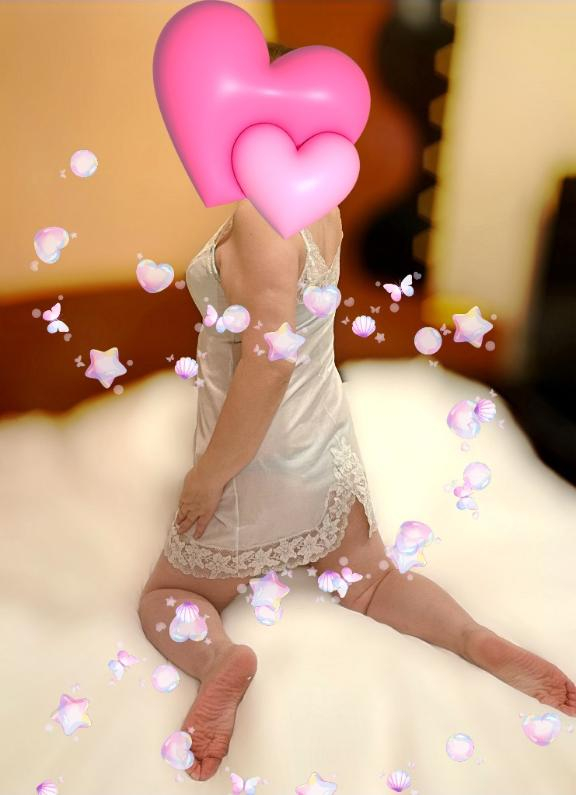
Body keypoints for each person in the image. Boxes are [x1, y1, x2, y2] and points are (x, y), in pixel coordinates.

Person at [138, 41, 576, 783]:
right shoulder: (321, 206)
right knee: (371, 581)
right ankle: (472, 639)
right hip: (325, 443)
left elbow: (270, 359)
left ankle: (218, 662)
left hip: (259, 453)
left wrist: (211, 473)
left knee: (165, 595)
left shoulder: (259, 218)